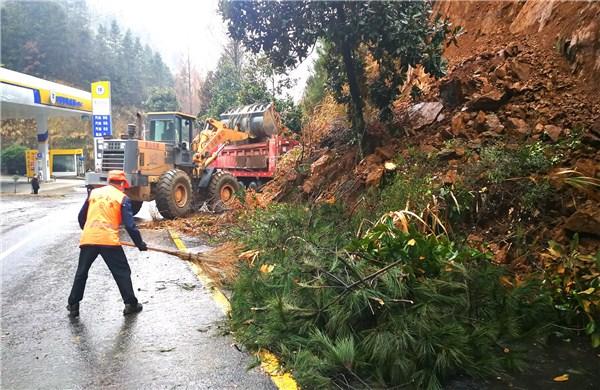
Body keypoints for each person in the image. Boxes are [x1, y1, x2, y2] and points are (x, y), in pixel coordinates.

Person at [66, 170, 148, 317]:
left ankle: (73, 305)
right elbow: (130, 226)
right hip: (109, 241)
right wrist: (140, 243)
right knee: (122, 272)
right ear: (122, 183)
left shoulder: (94, 194)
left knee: (81, 272)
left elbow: (81, 217)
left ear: (110, 181)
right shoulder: (122, 198)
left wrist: (88, 231)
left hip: (89, 238)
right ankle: (130, 304)